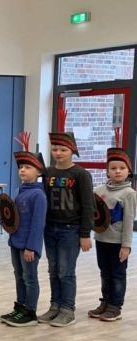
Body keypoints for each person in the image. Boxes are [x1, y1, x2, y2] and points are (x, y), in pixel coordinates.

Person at [39, 108, 94, 327]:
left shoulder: (81, 174)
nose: (58, 153)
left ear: (72, 150)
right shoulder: (48, 173)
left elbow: (88, 206)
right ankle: (55, 306)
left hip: (71, 229)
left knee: (66, 271)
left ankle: (67, 309)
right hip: (50, 227)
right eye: (55, 149)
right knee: (53, 270)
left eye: (63, 149)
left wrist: (85, 234)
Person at [0, 132, 47, 327]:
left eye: (28, 167)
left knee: (30, 277)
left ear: (39, 171)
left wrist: (31, 247)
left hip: (28, 246)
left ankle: (30, 312)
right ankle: (20, 307)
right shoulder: (19, 191)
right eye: (21, 167)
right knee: (19, 276)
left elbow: (38, 225)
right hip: (16, 242)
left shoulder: (38, 195)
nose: (23, 170)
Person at [90, 130, 136, 322]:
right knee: (105, 272)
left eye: (122, 168)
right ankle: (106, 301)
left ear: (128, 171)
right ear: (107, 170)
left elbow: (129, 221)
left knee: (117, 274)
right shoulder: (98, 190)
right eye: (113, 168)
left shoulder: (129, 193)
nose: (117, 171)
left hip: (118, 242)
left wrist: (126, 245)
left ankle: (115, 306)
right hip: (101, 239)